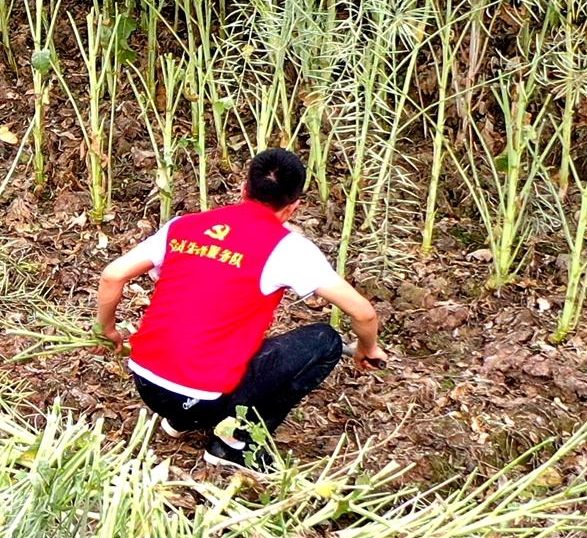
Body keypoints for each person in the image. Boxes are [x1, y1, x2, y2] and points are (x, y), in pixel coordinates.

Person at [95, 147, 384, 471]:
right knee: (324, 340)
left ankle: (180, 420)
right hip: (199, 394)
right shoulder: (288, 249)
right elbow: (363, 313)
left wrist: (107, 330)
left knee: (224, 333)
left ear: (244, 189)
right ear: (293, 208)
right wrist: (366, 348)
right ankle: (234, 445)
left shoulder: (185, 225)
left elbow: (112, 275)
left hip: (146, 382)